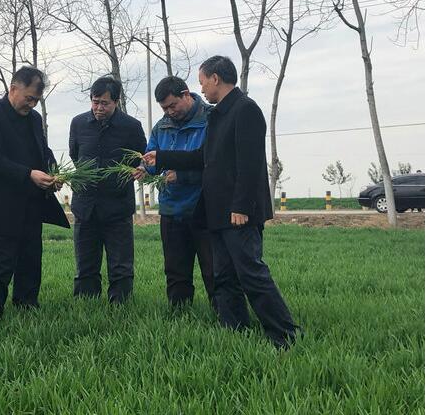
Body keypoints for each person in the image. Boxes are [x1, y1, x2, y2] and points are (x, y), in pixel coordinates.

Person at [143, 56, 298, 348]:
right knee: (223, 275)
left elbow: (250, 164)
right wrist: (161, 157)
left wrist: (241, 206)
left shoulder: (245, 110)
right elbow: (203, 157)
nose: (201, 88)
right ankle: (234, 328)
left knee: (250, 273)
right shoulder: (217, 115)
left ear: (215, 78)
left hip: (238, 211)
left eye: (202, 82)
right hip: (216, 210)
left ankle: (285, 333)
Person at [0, 66, 69, 325]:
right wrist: (28, 174)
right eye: (29, 98)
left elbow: (43, 150)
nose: (32, 104)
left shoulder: (34, 119)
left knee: (31, 259)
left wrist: (53, 173)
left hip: (31, 203)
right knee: (1, 262)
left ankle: (27, 308)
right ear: (13, 88)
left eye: (36, 100)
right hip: (0, 205)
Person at [135, 76, 215, 310]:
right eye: (164, 108)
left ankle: (223, 314)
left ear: (186, 94)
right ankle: (179, 314)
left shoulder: (211, 119)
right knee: (175, 270)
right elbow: (152, 157)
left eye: (173, 105)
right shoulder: (162, 126)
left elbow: (215, 165)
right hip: (171, 208)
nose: (170, 112)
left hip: (204, 208)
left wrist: (183, 176)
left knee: (214, 269)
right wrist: (144, 168)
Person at [69, 75, 146, 303]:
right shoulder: (78, 123)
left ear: (116, 101)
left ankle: (120, 304)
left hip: (117, 206)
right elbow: (75, 155)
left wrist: (140, 168)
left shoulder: (131, 126)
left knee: (121, 263)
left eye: (105, 103)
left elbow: (141, 158)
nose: (99, 108)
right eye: (95, 102)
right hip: (85, 205)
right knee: (85, 262)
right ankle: (87, 303)